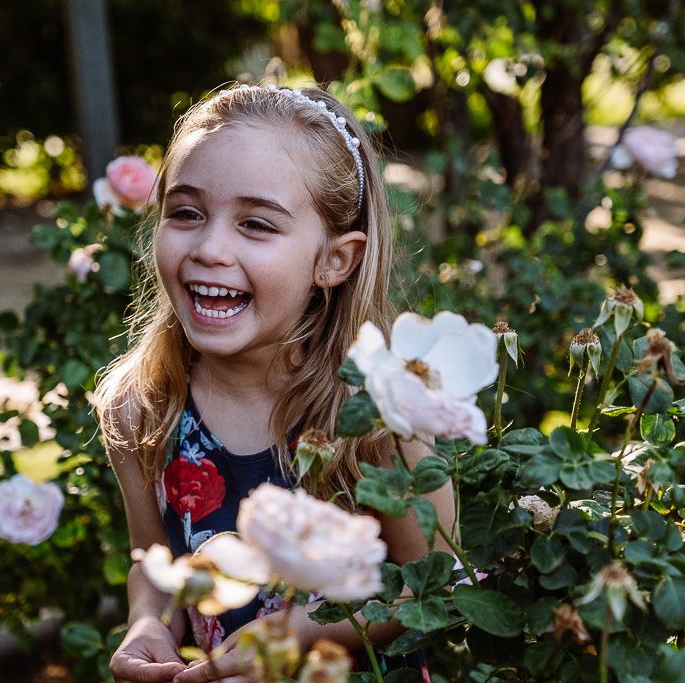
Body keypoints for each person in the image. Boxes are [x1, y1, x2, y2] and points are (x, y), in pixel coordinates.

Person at [93, 82, 456, 683]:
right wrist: (148, 620)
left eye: (257, 225)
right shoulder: (142, 408)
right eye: (185, 213)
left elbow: (434, 586)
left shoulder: (375, 413)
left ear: (334, 260)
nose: (210, 248)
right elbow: (152, 561)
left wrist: (300, 632)